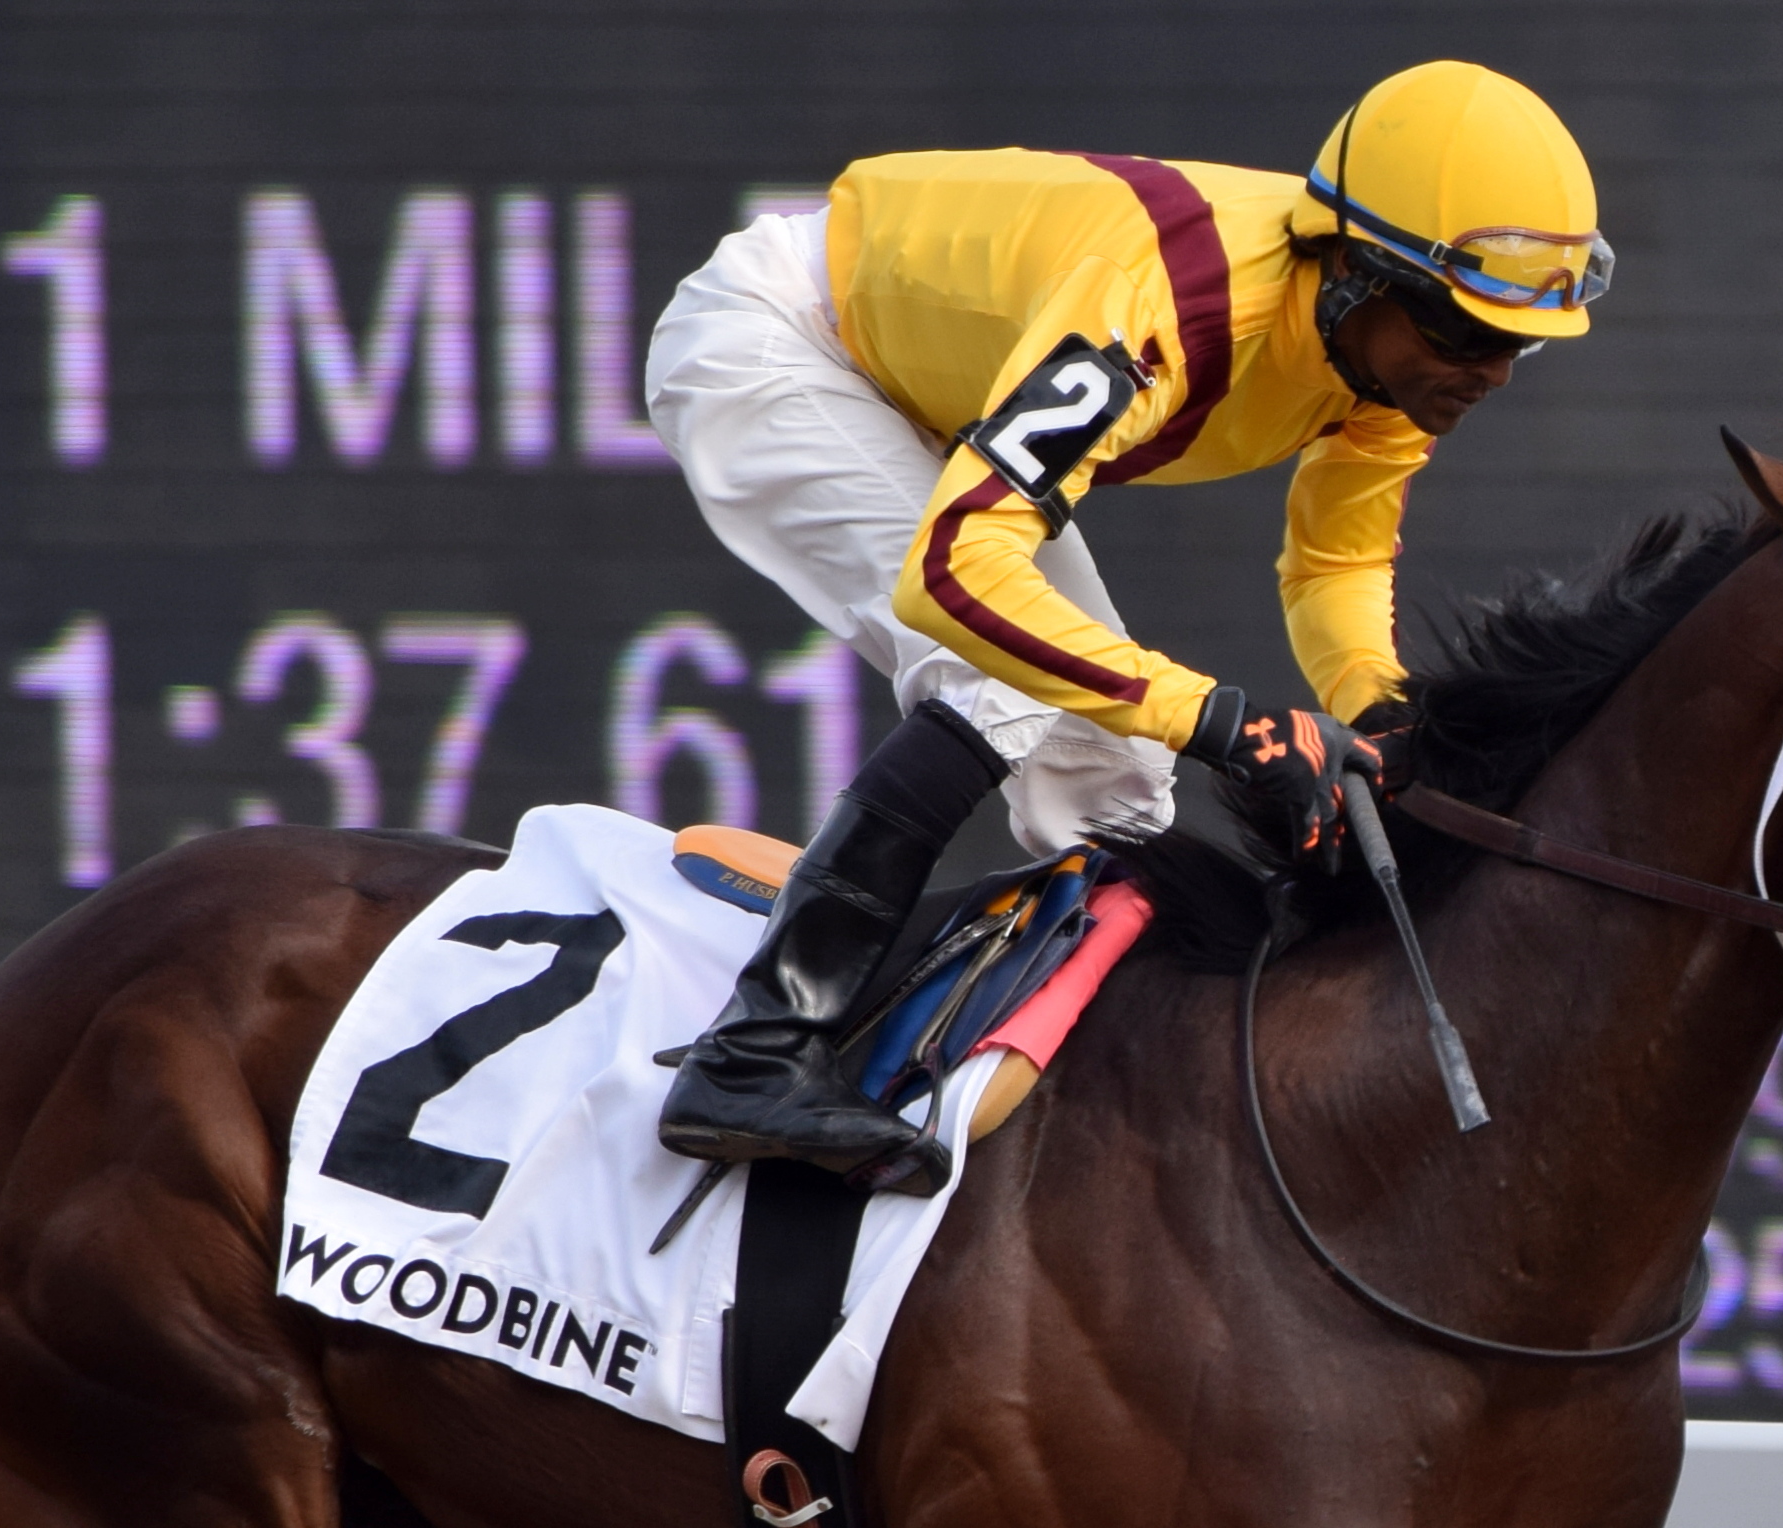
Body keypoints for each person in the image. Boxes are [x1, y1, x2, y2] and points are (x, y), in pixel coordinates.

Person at [641, 62, 1611, 1196]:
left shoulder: (1386, 366)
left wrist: (1381, 719)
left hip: (933, 378)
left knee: (1116, 784)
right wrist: (1225, 722)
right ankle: (754, 1054)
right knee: (998, 681)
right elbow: (952, 571)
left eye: (1518, 343)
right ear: (1352, 273)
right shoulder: (1164, 309)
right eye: (1461, 330)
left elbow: (1336, 557)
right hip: (784, 339)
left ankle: (1051, 1100)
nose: (1488, 372)